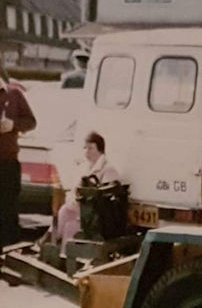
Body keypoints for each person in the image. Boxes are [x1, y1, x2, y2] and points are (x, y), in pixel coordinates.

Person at [44, 132, 119, 249]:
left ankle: (58, 248)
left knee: (70, 226)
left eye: (91, 148)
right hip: (81, 210)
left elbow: (105, 198)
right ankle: (52, 240)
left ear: (100, 149)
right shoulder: (84, 167)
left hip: (96, 215)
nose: (87, 151)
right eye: (85, 148)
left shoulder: (108, 169)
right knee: (64, 211)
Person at [0, 67, 36, 249]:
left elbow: (31, 121)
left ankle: (8, 255)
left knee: (9, 210)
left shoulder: (14, 95)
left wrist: (13, 125)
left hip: (7, 163)